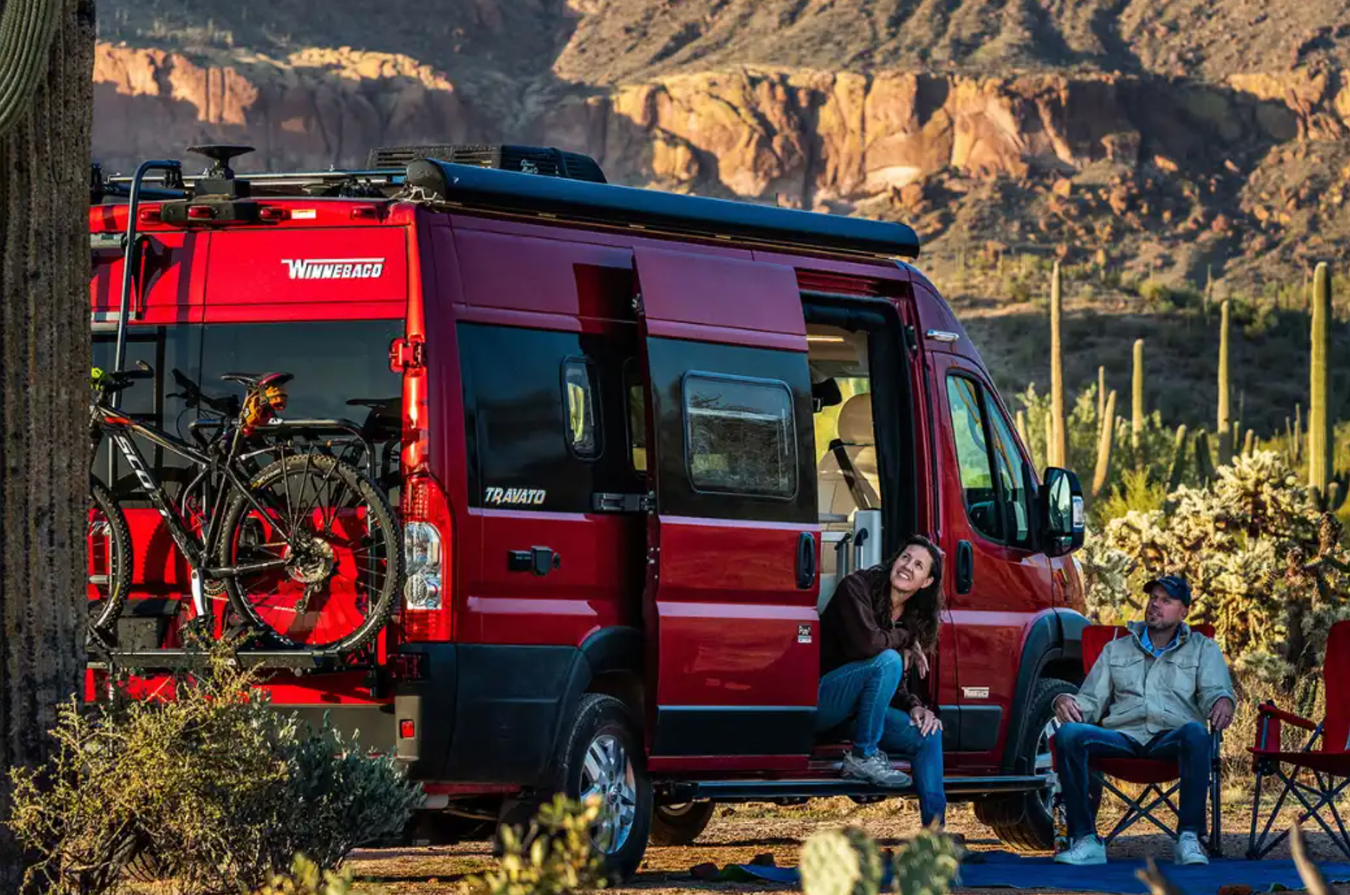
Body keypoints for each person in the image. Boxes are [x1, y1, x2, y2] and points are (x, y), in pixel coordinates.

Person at [1051, 574, 1236, 867]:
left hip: (1172, 739)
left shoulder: (1203, 648)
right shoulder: (1116, 649)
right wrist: (1063, 700)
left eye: (1166, 600)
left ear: (1184, 611)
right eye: (1153, 599)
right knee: (1070, 734)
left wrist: (1223, 700)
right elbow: (1090, 702)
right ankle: (1086, 840)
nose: (1155, 606)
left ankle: (1188, 838)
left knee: (1196, 734)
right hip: (1122, 738)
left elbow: (1215, 691)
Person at [816, 535, 946, 828]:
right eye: (905, 558)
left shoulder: (910, 617)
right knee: (889, 660)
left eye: (918, 565)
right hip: (822, 701)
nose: (907, 567)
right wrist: (905, 641)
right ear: (894, 560)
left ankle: (935, 834)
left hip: (859, 714)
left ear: (926, 582)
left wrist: (914, 706)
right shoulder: (856, 587)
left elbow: (888, 681)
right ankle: (864, 755)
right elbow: (867, 645)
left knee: (928, 733)